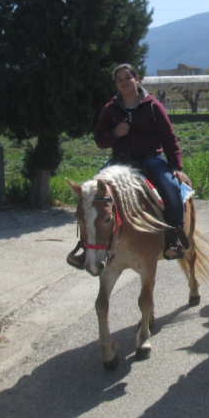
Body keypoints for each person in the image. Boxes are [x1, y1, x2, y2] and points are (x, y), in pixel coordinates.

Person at [69, 64, 188, 268]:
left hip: (149, 159)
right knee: (90, 194)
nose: (124, 83)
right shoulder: (111, 109)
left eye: (127, 78)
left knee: (172, 188)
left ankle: (173, 238)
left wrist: (176, 166)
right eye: (120, 80)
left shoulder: (152, 106)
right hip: (120, 161)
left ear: (136, 79)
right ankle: (85, 245)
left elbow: (169, 137)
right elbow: (100, 139)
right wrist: (115, 133)